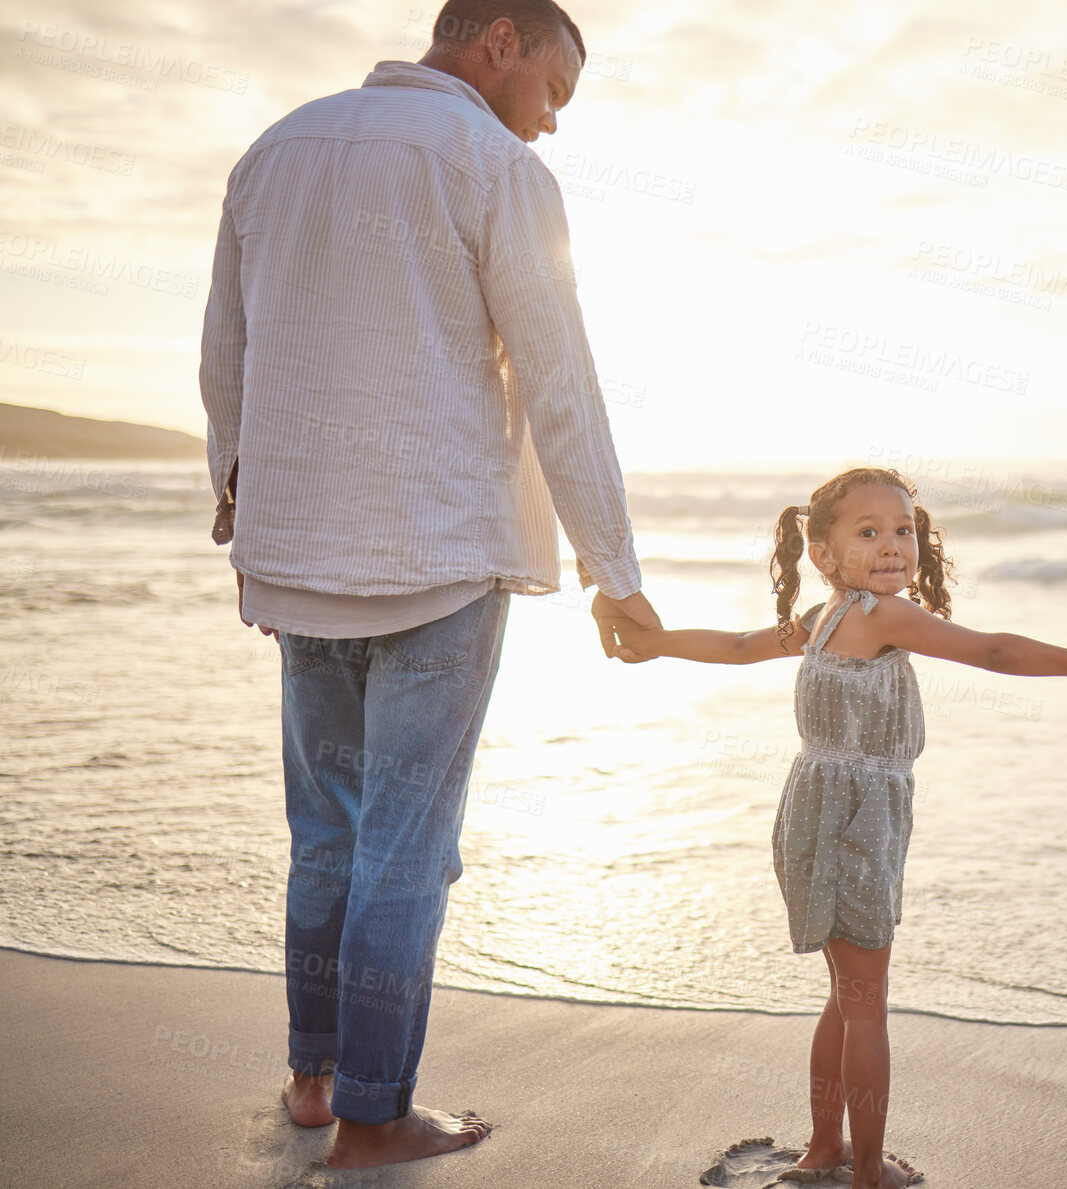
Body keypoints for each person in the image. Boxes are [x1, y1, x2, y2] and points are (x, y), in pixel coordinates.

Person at [198, 0, 658, 1169]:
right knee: (408, 845)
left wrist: (239, 500)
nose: (551, 124)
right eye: (553, 91)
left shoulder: (278, 146)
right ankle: (374, 1113)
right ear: (495, 40)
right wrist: (616, 571)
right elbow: (559, 378)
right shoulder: (491, 165)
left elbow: (225, 351)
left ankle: (314, 1079)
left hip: (299, 555)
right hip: (438, 557)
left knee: (328, 837)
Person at [607, 467, 1067, 1189]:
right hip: (858, 824)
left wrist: (659, 641)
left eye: (903, 530)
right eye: (869, 532)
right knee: (867, 1006)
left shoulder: (826, 617)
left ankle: (826, 1145)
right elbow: (990, 650)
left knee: (845, 992)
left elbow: (737, 646)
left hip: (810, 810)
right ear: (823, 554)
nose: (894, 546)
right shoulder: (880, 617)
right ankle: (867, 1171)